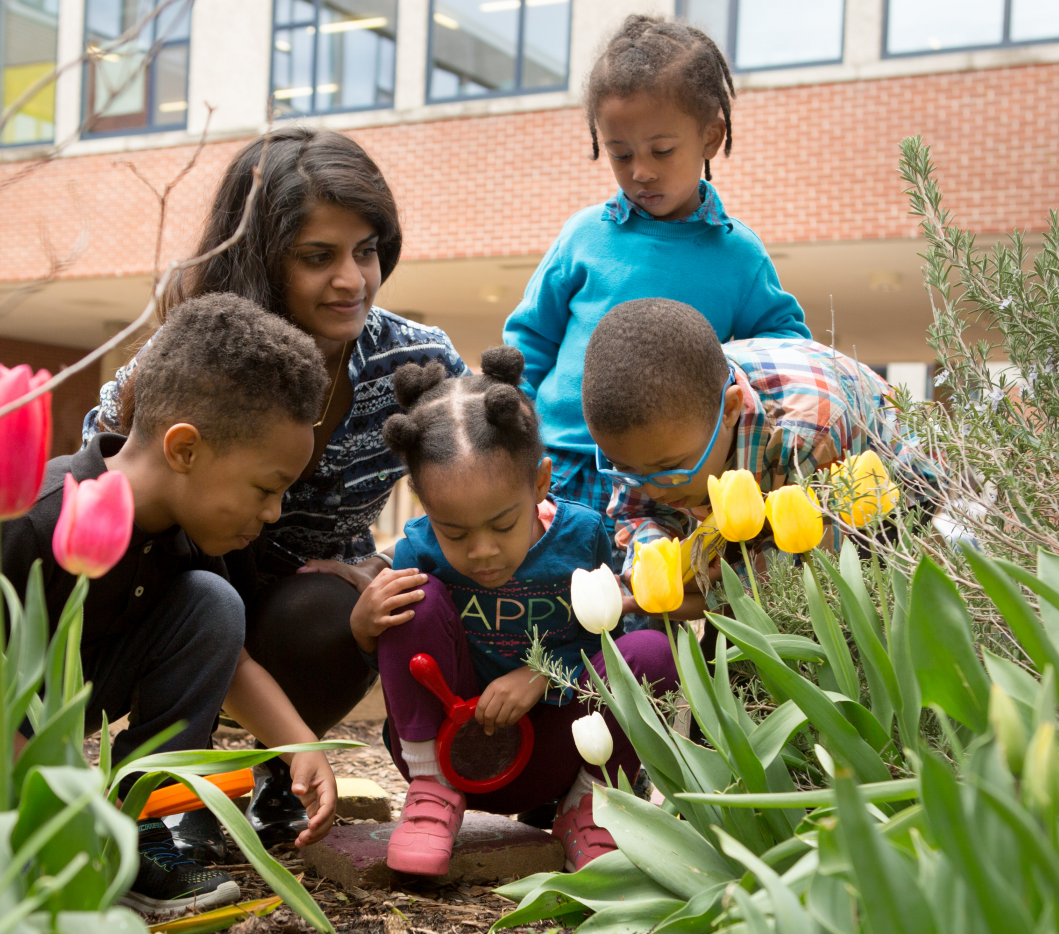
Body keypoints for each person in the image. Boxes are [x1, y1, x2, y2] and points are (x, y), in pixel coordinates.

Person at [83, 127, 468, 855]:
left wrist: (390, 563)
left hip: (310, 606)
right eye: (317, 257)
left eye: (366, 251)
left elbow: (476, 480)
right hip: (183, 587)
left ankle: (279, 774)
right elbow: (106, 465)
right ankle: (178, 791)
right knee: (202, 598)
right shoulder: (198, 352)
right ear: (262, 259)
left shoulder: (416, 363)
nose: (352, 280)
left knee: (345, 606)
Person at [0, 294, 339, 920]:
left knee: (213, 604)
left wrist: (298, 746)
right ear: (184, 449)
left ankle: (133, 831)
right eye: (266, 488)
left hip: (51, 709)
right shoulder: (32, 515)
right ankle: (42, 839)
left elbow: (231, 661)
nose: (272, 513)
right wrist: (54, 795)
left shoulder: (188, 530)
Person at [350, 347, 679, 877]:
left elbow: (606, 647)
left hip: (556, 755)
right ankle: (430, 799)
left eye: (503, 525)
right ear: (423, 500)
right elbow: (404, 667)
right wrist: (365, 632)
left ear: (541, 482)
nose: (482, 551)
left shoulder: (581, 538)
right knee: (409, 599)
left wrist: (541, 675)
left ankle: (591, 809)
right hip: (447, 751)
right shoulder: (419, 551)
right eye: (455, 532)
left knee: (652, 652)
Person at [503, 14, 811, 533]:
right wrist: (515, 437)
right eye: (620, 154)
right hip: (559, 465)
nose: (640, 171)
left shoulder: (739, 256)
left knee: (650, 586)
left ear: (711, 136)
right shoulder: (583, 236)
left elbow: (785, 352)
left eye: (661, 150)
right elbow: (529, 343)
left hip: (669, 482)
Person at [583, 298, 936, 619]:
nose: (652, 490)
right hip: (756, 464)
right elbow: (640, 511)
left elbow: (804, 583)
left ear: (730, 409)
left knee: (852, 617)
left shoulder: (807, 438)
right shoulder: (654, 439)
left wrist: (715, 594)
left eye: (669, 469)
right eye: (625, 469)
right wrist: (653, 565)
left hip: (895, 488)